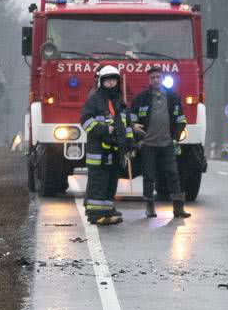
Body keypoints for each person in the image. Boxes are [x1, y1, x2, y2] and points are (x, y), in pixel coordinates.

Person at [131, 66, 192, 218]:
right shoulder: (141, 98)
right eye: (152, 78)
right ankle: (150, 207)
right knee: (149, 176)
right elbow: (131, 119)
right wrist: (137, 139)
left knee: (173, 174)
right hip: (148, 145)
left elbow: (180, 119)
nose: (156, 80)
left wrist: (175, 138)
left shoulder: (173, 97)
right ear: (149, 80)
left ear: (162, 79)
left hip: (167, 144)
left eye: (158, 77)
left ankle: (178, 208)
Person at [81, 65, 133, 225]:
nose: (111, 84)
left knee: (111, 183)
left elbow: (127, 125)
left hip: (115, 152)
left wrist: (130, 142)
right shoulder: (94, 100)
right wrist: (104, 129)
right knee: (98, 184)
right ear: (101, 82)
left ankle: (107, 210)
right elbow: (85, 121)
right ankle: (96, 215)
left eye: (113, 81)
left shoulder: (119, 101)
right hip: (99, 154)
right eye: (108, 81)